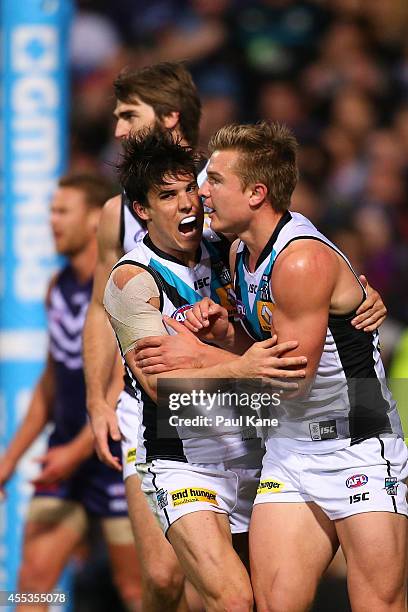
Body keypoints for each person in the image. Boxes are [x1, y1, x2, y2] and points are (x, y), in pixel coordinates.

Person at [176, 121, 407, 611]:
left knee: (378, 604)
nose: (202, 191)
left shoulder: (300, 260)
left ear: (257, 192)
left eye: (215, 180)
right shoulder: (241, 250)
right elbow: (266, 346)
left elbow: (293, 378)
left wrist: (202, 358)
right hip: (290, 446)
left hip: (358, 442)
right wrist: (227, 335)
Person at [103, 129, 312, 612]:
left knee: (271, 600)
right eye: (167, 196)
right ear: (142, 210)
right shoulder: (132, 282)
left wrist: (359, 296)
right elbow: (160, 387)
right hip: (183, 455)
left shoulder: (232, 246)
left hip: (257, 444)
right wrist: (242, 366)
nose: (186, 205)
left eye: (189, 189)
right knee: (230, 599)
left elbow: (303, 259)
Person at [82, 61, 204, 612]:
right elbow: (100, 308)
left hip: (226, 404)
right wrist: (98, 399)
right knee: (160, 575)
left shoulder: (217, 195)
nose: (117, 128)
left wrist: (357, 289)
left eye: (129, 114)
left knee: (216, 584)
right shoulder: (118, 213)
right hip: (146, 406)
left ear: (170, 117)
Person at [0, 175, 141, 611]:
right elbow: (50, 382)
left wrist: (76, 453)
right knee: (31, 583)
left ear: (95, 220)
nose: (51, 222)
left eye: (62, 211)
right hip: (64, 461)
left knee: (139, 590)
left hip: (113, 460)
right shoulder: (56, 288)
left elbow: (122, 385)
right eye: (50, 211)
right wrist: (8, 461)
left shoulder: (125, 287)